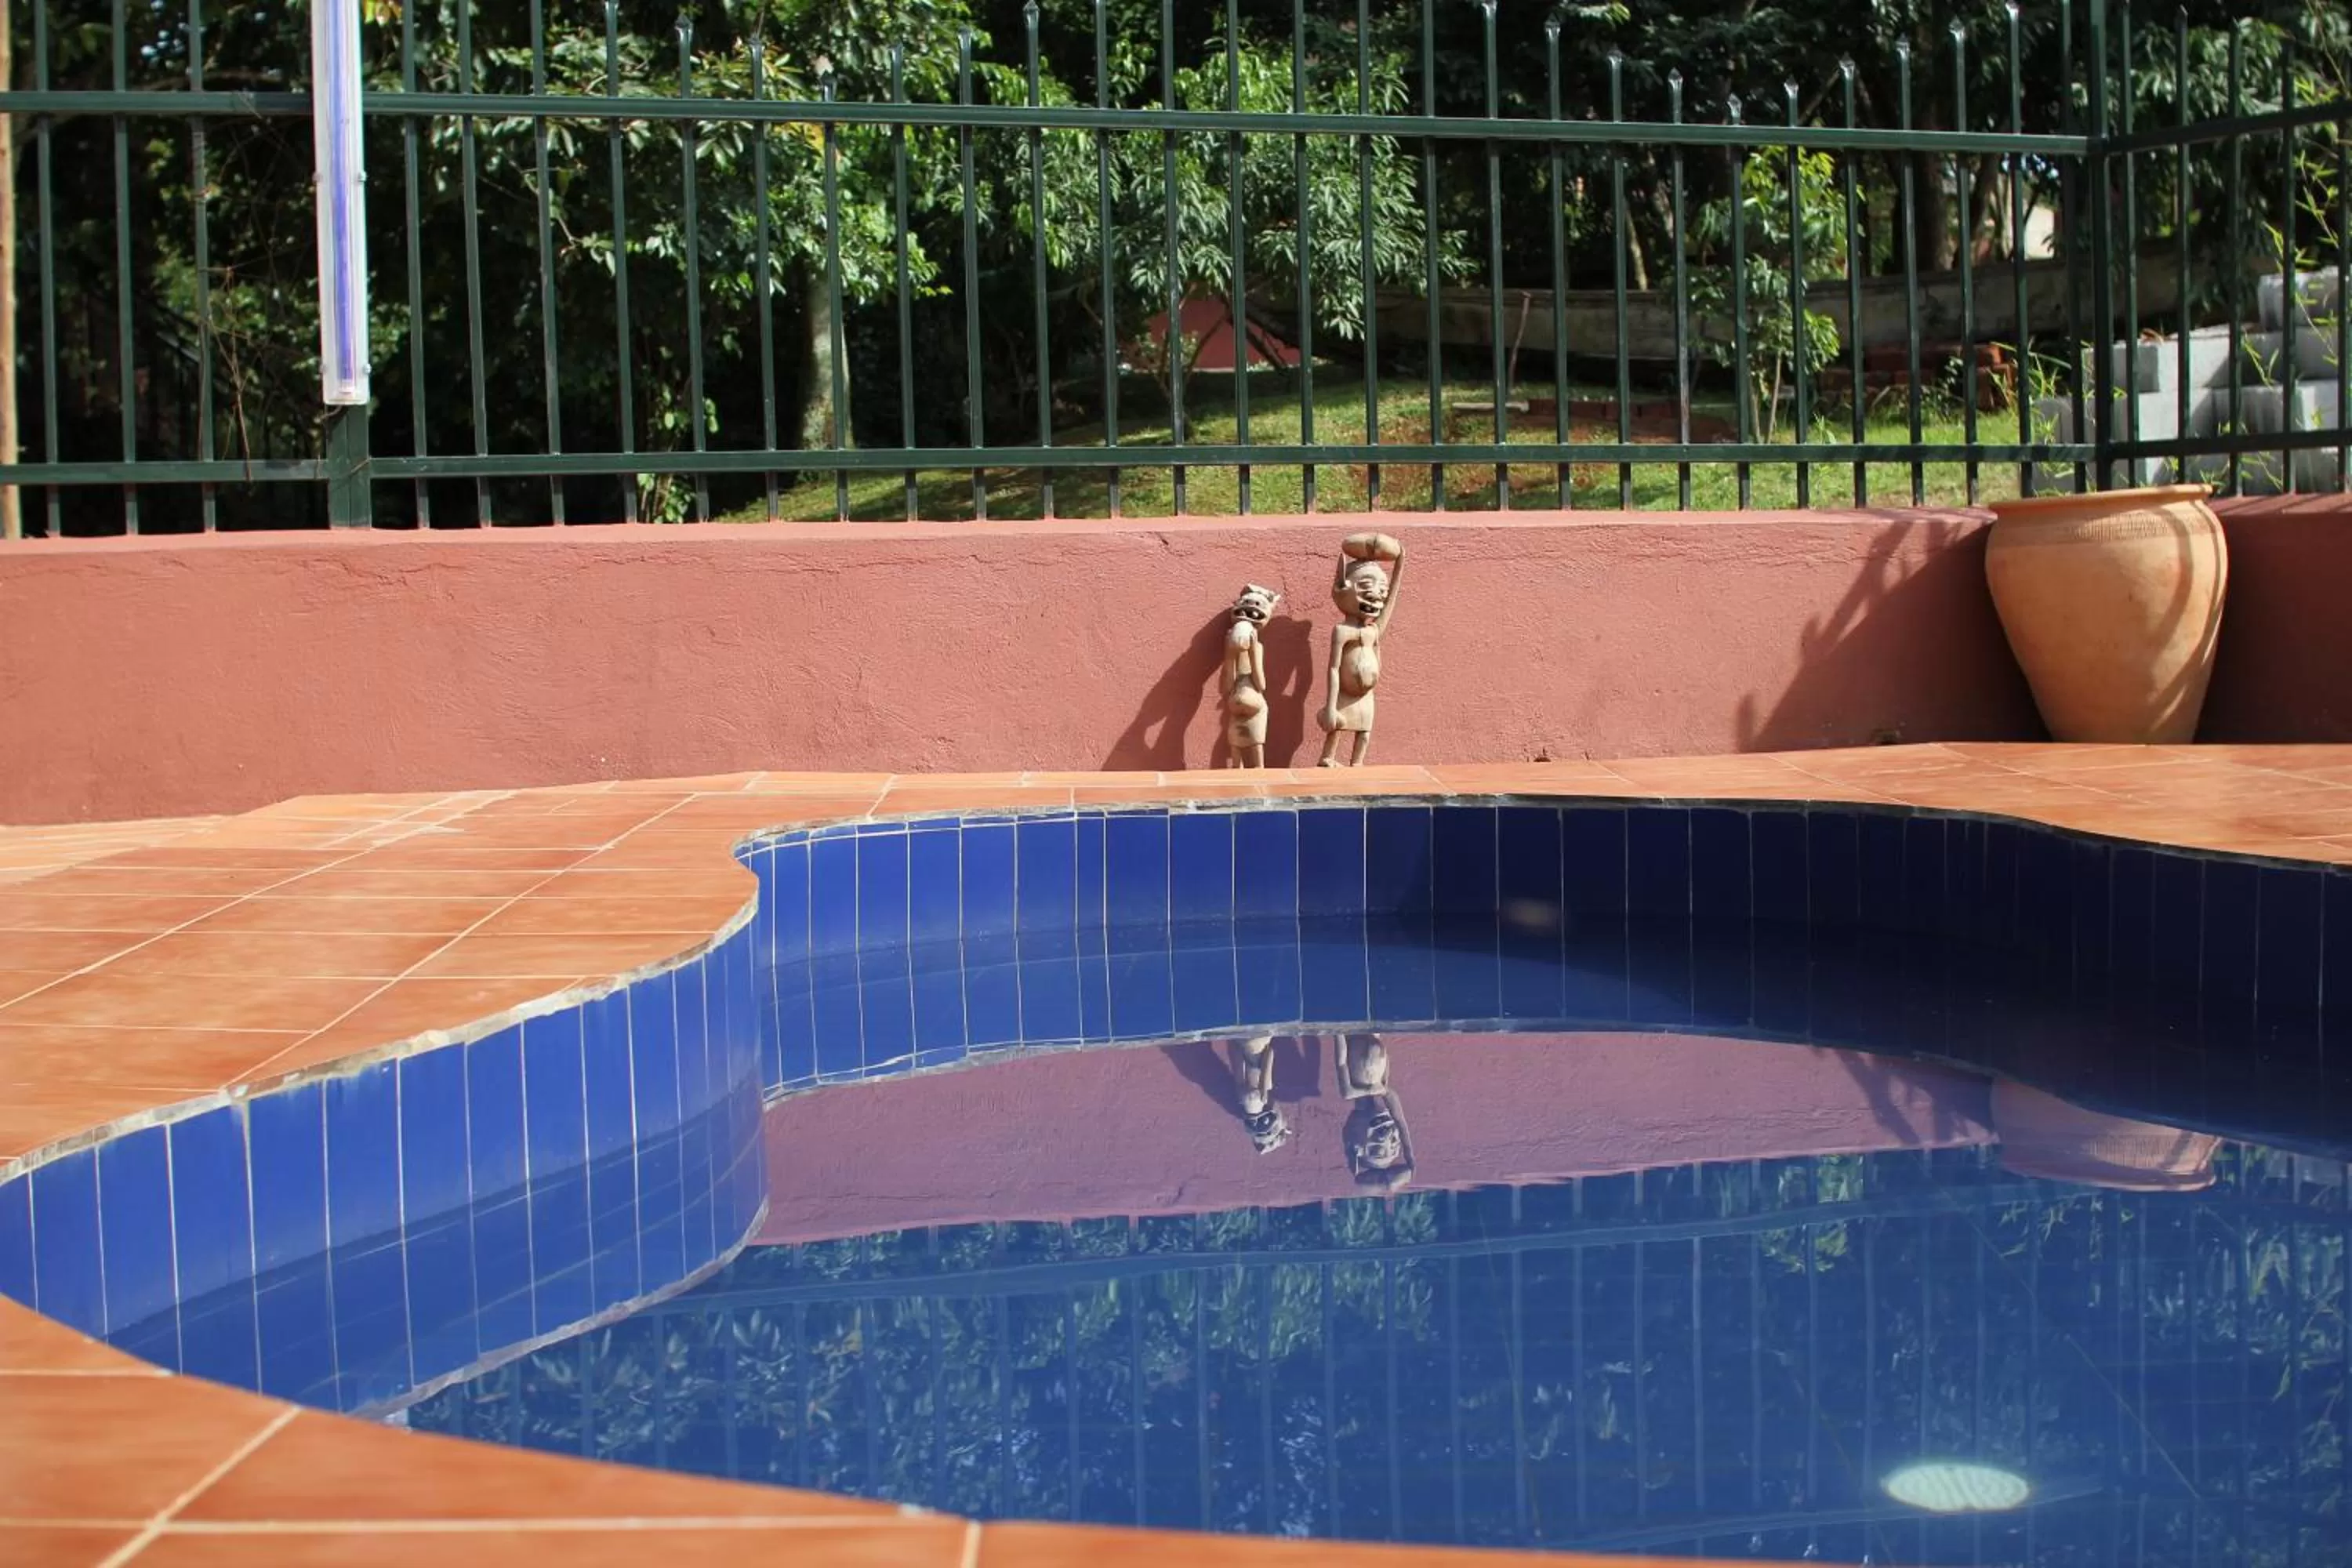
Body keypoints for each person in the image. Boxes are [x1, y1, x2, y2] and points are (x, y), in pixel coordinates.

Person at [1316, 532, 1404, 768]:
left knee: (1364, 731)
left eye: (1381, 589)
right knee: (1339, 727)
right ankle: (1328, 758)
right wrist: (1331, 706)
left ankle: (1357, 764)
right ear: (1343, 587)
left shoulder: (1373, 631)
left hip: (1366, 695)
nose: (1376, 593)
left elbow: (1390, 604)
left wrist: (1399, 567)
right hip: (1345, 694)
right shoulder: (1342, 631)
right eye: (1366, 585)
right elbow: (1333, 669)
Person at [1337, 1033, 1414, 1190]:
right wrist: (1410, 1159)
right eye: (1394, 1144)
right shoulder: (1384, 1088)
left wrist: (1339, 1032)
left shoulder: (1350, 1091)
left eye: (1378, 1149)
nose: (1387, 1138)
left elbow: (1341, 1064)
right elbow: (1401, 1123)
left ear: (1355, 1141)